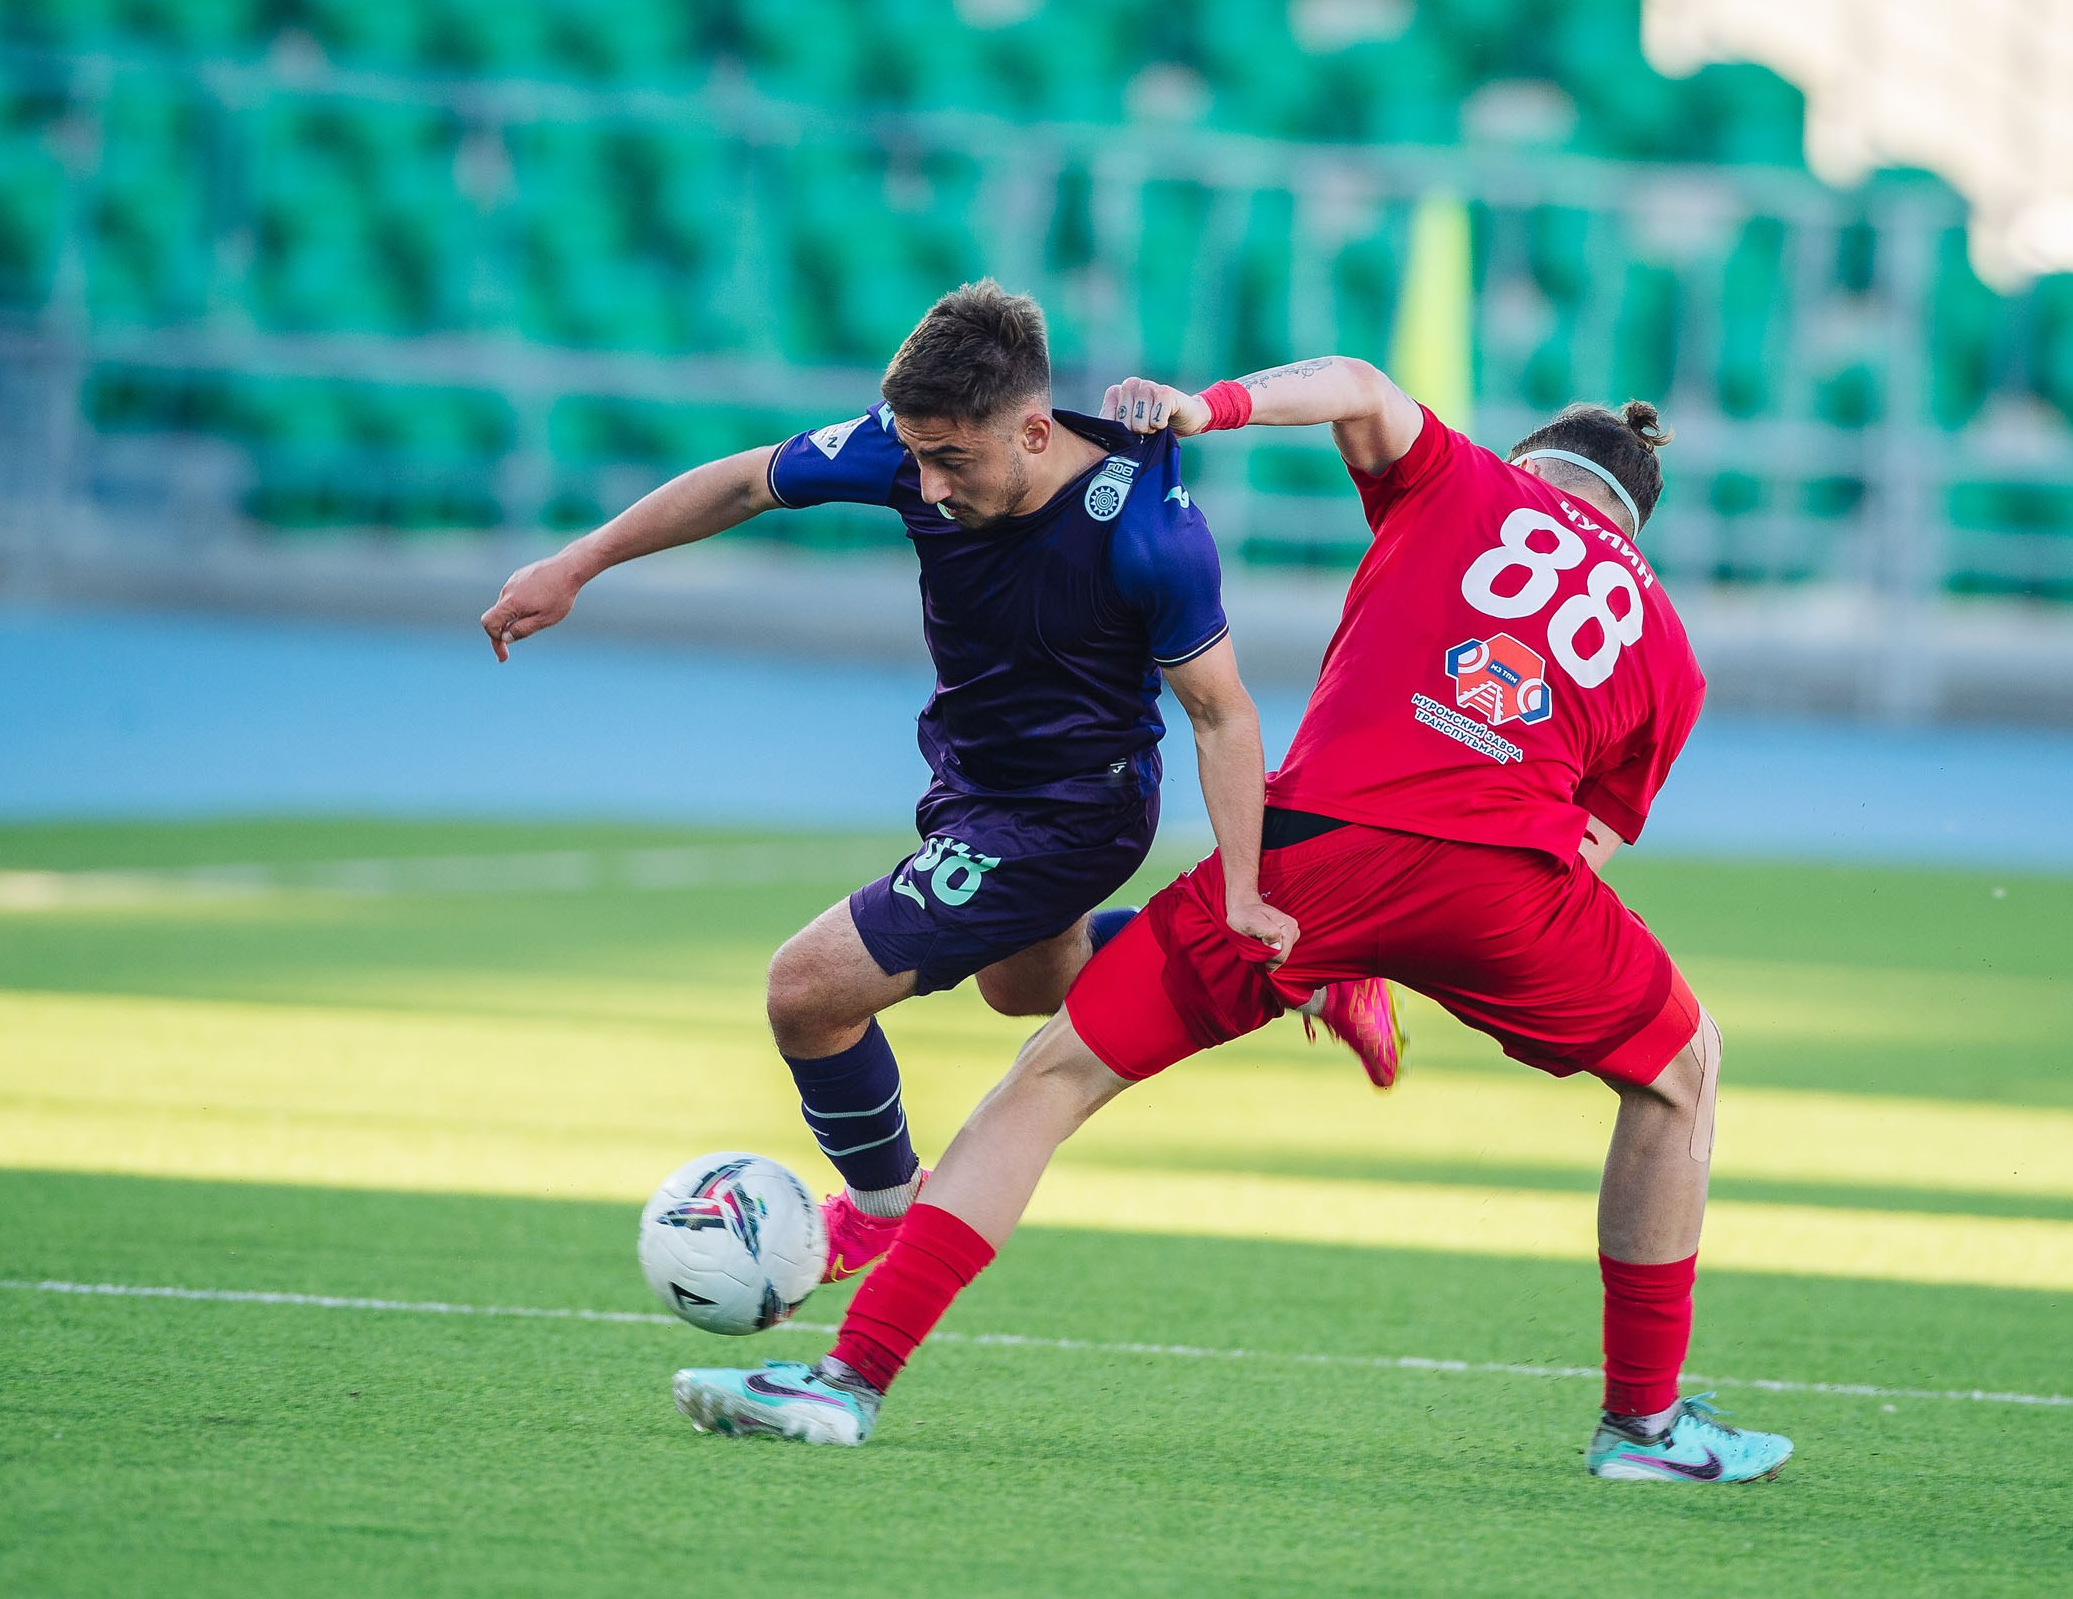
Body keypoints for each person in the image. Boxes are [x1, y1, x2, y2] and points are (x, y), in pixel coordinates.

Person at [671, 355, 1793, 1483]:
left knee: (1048, 1078)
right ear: (1632, 528)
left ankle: (846, 1382)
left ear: (1526, 467)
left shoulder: (1462, 480)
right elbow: (1583, 844)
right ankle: (1643, 1428)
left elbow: (1356, 382)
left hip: (1309, 862)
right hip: (1501, 886)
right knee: (1680, 1069)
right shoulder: (1669, 654)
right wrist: (1431, 938)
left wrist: (1209, 410)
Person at [480, 286, 1402, 1281]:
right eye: (914, 456)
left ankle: (881, 1210)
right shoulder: (919, 445)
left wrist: (1245, 885)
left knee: (807, 990)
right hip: (972, 782)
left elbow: (1221, 712)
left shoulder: (1146, 530)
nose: (922, 486)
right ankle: (1299, 965)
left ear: (1034, 431)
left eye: (949, 462)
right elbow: (748, 481)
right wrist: (576, 563)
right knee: (1023, 987)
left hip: (1071, 811)